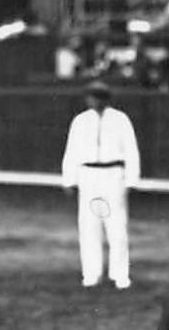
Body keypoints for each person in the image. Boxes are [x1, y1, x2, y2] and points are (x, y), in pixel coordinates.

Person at [60, 80, 141, 289]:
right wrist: (69, 178)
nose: (95, 100)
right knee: (89, 225)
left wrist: (131, 179)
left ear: (106, 99)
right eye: (92, 96)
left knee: (117, 226)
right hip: (88, 175)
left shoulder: (120, 119)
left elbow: (131, 149)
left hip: (113, 174)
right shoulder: (80, 121)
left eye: (99, 96)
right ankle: (91, 273)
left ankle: (120, 274)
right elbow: (72, 150)